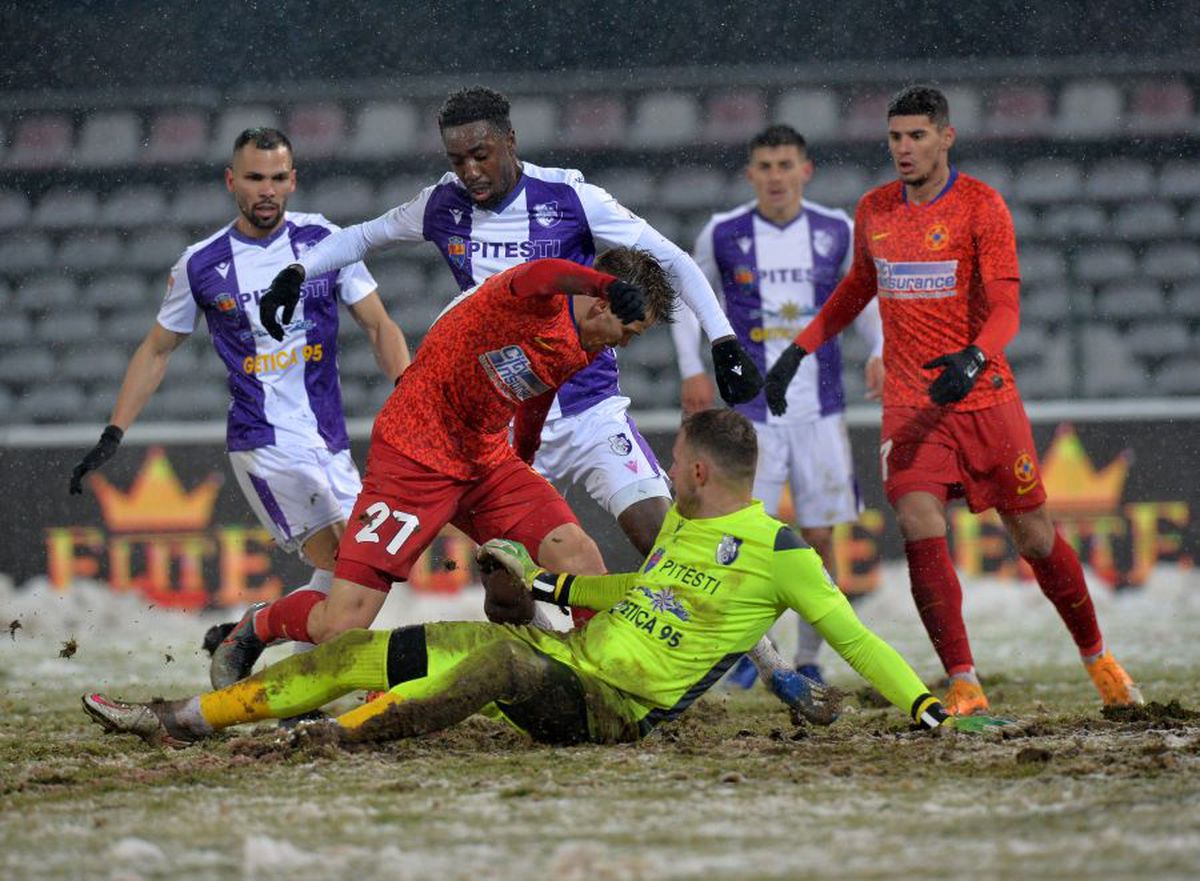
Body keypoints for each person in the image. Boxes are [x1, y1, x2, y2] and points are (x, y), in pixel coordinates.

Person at [83, 409, 1007, 748]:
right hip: (567, 663)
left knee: (495, 663)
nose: (664, 468)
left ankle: (338, 737)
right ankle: (183, 718)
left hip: (612, 710)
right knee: (366, 647)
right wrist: (549, 591)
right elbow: (635, 595)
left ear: (695, 470)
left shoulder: (781, 551)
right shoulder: (683, 526)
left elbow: (854, 637)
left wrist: (925, 708)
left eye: (672, 457)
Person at [261, 86, 762, 571]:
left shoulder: (570, 197)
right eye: (457, 160)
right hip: (501, 427)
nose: (470, 172)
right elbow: (362, 237)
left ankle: (720, 630)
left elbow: (671, 258)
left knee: (659, 537)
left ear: (510, 141)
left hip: (589, 408)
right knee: (511, 589)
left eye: (481, 155)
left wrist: (723, 341)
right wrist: (297, 271)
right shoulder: (441, 205)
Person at [763, 85, 1143, 715]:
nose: (904, 148)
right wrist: (797, 351)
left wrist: (974, 357)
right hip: (911, 403)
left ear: (946, 137)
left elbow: (1007, 308)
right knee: (918, 522)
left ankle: (1098, 656)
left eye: (916, 135)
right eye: (895, 137)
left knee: (1035, 538)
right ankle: (964, 680)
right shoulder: (875, 208)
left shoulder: (980, 206)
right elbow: (857, 288)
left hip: (984, 397)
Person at [209, 250, 677, 690]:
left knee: (578, 556)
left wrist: (525, 453)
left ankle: (599, 681)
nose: (627, 343)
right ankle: (260, 623)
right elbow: (544, 271)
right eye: (630, 330)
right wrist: (602, 282)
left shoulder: (587, 342)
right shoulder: (534, 296)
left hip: (486, 460)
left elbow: (539, 387)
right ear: (602, 304)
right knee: (341, 626)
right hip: (413, 457)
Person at [68, 127, 410, 639]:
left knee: (362, 576)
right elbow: (157, 348)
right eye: (254, 178)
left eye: (277, 178)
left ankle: (252, 633)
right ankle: (276, 652)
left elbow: (379, 325)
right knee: (349, 565)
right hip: (264, 441)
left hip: (329, 439)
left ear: (292, 180)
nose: (266, 190)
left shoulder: (324, 241)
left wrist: (410, 392)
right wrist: (113, 433)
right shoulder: (202, 263)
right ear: (232, 181)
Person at [672, 123, 884, 686]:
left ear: (805, 171)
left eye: (786, 165)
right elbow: (687, 300)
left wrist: (880, 350)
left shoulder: (837, 230)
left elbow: (863, 299)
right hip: (753, 418)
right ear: (750, 174)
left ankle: (811, 657)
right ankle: (749, 653)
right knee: (743, 540)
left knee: (818, 538)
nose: (776, 177)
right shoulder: (724, 233)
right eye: (765, 166)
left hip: (821, 411)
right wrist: (692, 366)